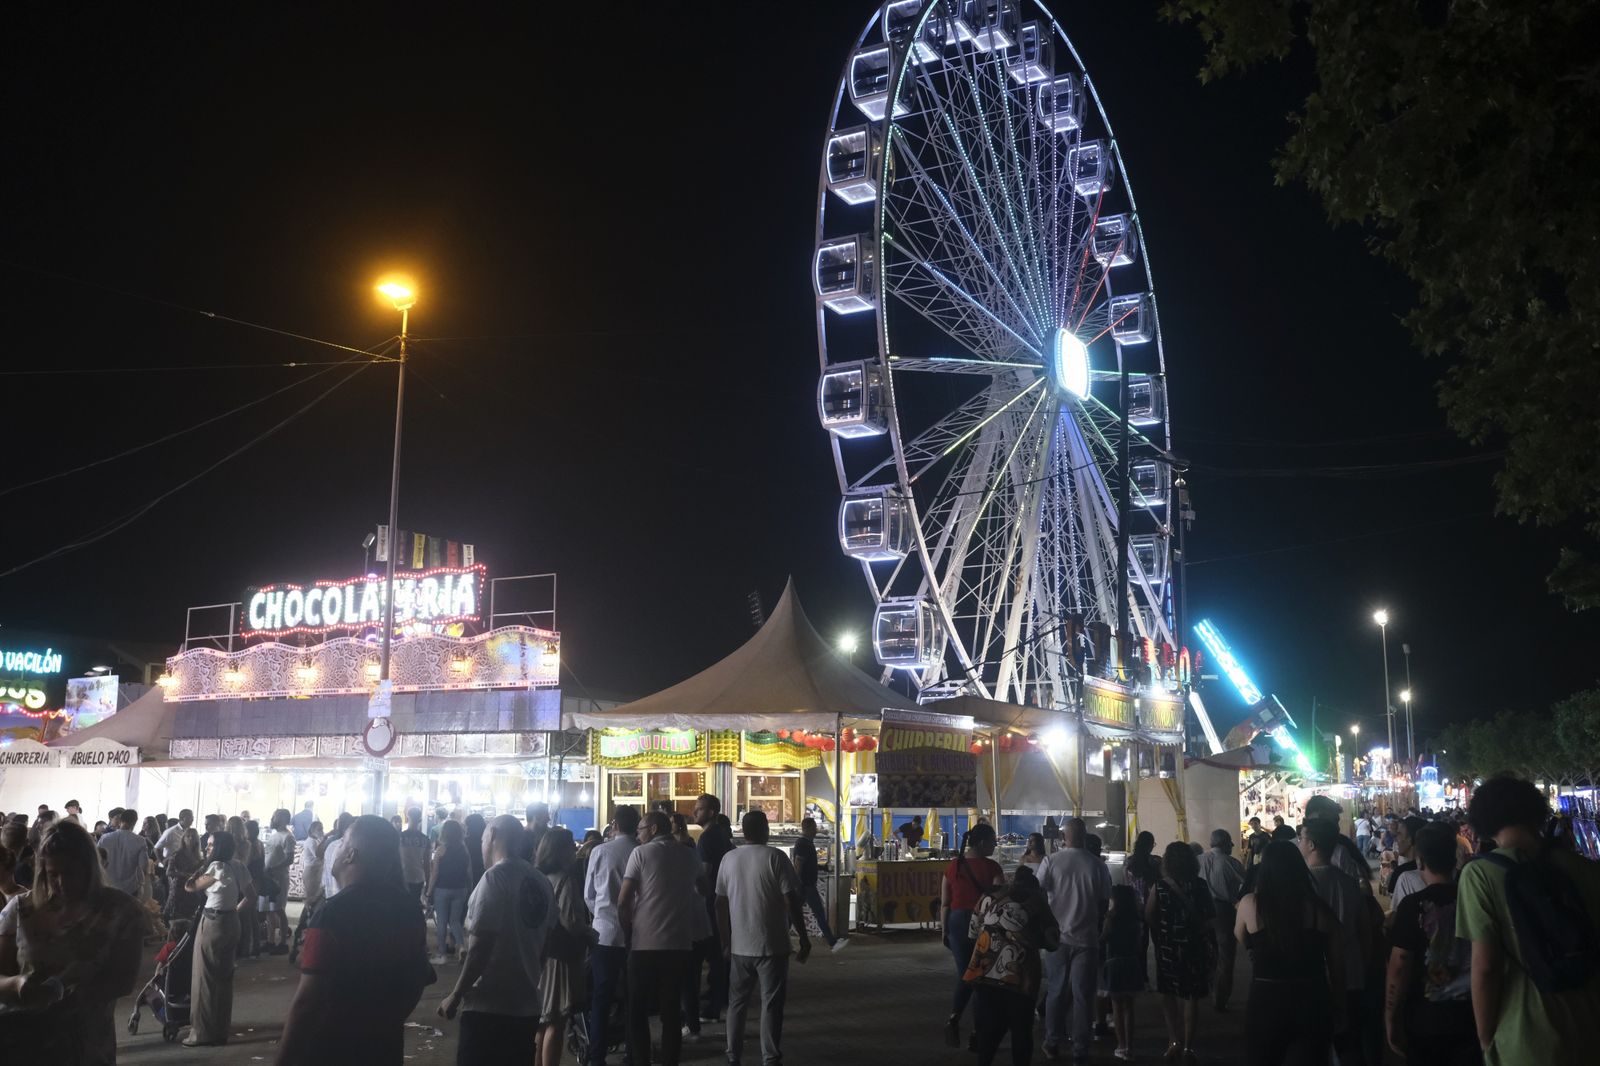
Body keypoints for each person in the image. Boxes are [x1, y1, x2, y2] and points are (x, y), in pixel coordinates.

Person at [1456, 775, 1600, 1065]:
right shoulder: (1584, 868)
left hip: (1524, 1039)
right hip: (1589, 1030)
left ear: (1483, 820)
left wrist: (1486, 1040)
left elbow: (1485, 969)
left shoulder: (1480, 875)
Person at [276, 815, 435, 1065]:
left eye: (341, 845)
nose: (336, 849)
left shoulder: (333, 915)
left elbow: (308, 1002)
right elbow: (418, 977)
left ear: (350, 855)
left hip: (332, 1048)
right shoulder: (408, 909)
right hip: (385, 1046)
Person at [0, 821, 144, 1063]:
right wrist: (17, 984)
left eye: (71, 873)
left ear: (90, 868)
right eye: (53, 874)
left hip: (87, 1044)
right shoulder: (20, 910)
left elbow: (123, 981)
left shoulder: (122, 911)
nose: (62, 883)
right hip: (24, 1041)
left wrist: (68, 996)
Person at [439, 815, 555, 1064]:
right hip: (526, 1007)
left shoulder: (494, 879)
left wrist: (456, 994)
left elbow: (481, 947)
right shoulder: (541, 882)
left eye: (482, 839)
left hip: (488, 1008)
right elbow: (546, 943)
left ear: (491, 836)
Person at [1236, 839, 1345, 1065]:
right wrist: (1339, 1003)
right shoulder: (1318, 909)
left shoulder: (1251, 904)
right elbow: (1336, 966)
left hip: (1266, 997)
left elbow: (1240, 935)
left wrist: (1255, 947)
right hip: (1311, 996)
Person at [717, 809, 811, 1066]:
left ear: (744, 832)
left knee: (737, 1003)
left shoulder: (728, 859)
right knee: (771, 1004)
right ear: (766, 830)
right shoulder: (776, 857)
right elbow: (791, 900)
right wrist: (803, 938)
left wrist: (725, 940)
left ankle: (732, 1055)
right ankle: (769, 1057)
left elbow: (719, 903)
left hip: (740, 947)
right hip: (773, 944)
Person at [1384, 822, 1479, 1065]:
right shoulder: (1474, 900)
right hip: (1474, 1014)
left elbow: (1399, 966)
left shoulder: (1413, 905)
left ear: (1421, 861)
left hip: (1426, 1020)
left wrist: (1391, 1017)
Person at [617, 809, 705, 1066]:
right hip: (679, 943)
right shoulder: (690, 854)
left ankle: (642, 1059)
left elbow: (623, 900)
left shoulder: (640, 854)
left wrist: (627, 933)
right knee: (670, 1010)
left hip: (644, 943)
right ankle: (670, 1060)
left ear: (654, 829)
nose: (638, 833)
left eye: (641, 829)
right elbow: (704, 888)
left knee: (637, 1009)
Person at [962, 864, 1060, 1066]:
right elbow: (1053, 941)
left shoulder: (989, 895)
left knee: (988, 1033)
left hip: (984, 972)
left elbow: (972, 932)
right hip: (1020, 978)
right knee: (1021, 1033)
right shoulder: (1037, 901)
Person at [1037, 816, 1111, 1062]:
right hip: (1087, 939)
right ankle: (1081, 1049)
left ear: (1063, 837)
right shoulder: (1097, 865)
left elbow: (1038, 893)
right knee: (1083, 996)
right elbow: (1103, 902)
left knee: (1056, 991)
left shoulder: (1051, 861)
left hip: (1057, 938)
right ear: (1084, 836)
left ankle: (1052, 1041)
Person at [1301, 815, 1370, 1065]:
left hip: (1316, 974)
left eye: (1302, 838)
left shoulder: (1303, 885)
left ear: (1312, 845)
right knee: (1348, 1040)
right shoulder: (1350, 883)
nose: (1300, 843)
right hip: (1352, 971)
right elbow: (1365, 932)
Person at [183, 828, 253, 1046]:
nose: (207, 847)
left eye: (211, 845)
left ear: (220, 847)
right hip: (231, 922)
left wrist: (199, 867)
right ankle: (220, 1028)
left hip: (213, 923)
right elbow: (251, 896)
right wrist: (232, 910)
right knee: (223, 979)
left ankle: (201, 1033)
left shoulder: (216, 867)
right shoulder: (239, 865)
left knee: (205, 978)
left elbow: (190, 886)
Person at [1147, 840, 1217, 1061]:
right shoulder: (1201, 885)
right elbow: (1211, 917)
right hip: (1194, 947)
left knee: (1168, 993)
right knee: (1191, 996)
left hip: (1168, 947)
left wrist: (1162, 934)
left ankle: (1173, 1039)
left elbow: (1149, 916)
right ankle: (1188, 1046)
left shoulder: (1160, 886)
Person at [583, 804, 640, 1066]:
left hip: (604, 934)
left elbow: (589, 895)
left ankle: (597, 1056)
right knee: (633, 997)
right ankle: (632, 1053)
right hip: (637, 935)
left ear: (615, 825)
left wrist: (602, 915)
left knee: (601, 998)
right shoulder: (642, 851)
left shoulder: (600, 851)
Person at [941, 822, 1004, 1050]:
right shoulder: (993, 868)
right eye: (993, 841)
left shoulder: (954, 865)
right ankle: (977, 1032)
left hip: (957, 922)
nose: (995, 845)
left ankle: (955, 1017)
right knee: (981, 977)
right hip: (983, 923)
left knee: (965, 973)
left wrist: (944, 929)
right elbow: (999, 899)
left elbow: (945, 902)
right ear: (981, 843)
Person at [536, 826, 591, 1066]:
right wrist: (590, 934)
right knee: (556, 1022)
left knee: (541, 1021)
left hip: (539, 953)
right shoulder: (565, 880)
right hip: (561, 956)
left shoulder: (536, 876)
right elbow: (571, 922)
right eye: (570, 847)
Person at [690, 793, 734, 1023]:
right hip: (719, 900)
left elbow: (705, 873)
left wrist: (697, 893)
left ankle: (711, 1006)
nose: (695, 812)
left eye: (700, 809)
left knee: (711, 956)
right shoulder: (718, 834)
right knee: (717, 956)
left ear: (711, 812)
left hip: (711, 904)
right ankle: (715, 1000)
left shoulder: (708, 838)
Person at [1196, 829, 1245, 1010]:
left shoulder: (1198, 860)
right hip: (1224, 912)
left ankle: (1204, 989)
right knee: (1225, 956)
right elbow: (1245, 884)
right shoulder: (1231, 863)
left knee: (1205, 952)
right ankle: (1220, 998)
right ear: (1225, 843)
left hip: (1201, 911)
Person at [1099, 884, 1145, 1062]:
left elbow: (1103, 939)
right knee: (1129, 1008)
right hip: (1131, 963)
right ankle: (1130, 1047)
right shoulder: (1135, 920)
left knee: (1117, 1007)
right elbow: (1140, 946)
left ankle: (1122, 1045)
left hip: (1114, 964)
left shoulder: (1110, 918)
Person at [791, 816, 845, 952]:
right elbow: (798, 864)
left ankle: (781, 942)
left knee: (793, 915)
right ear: (808, 828)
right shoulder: (803, 844)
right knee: (818, 913)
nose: (816, 831)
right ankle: (832, 942)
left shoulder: (805, 843)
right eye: (814, 828)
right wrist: (797, 884)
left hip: (805, 885)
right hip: (805, 885)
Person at [428, 818, 472, 964]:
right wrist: (470, 888)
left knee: (441, 922)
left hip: (442, 889)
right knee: (455, 921)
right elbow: (469, 872)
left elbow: (435, 874)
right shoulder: (464, 849)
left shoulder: (441, 850)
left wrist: (429, 891)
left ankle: (442, 954)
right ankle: (462, 947)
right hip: (460, 889)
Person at [261, 808, 295, 954]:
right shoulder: (274, 836)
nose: (272, 818)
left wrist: (274, 868)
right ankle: (270, 940)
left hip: (279, 877)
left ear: (282, 819)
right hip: (268, 877)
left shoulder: (288, 837)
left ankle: (282, 943)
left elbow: (289, 859)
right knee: (268, 910)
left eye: (275, 816)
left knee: (279, 909)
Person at [98, 807, 147, 897]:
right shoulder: (140, 841)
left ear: (121, 820)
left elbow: (98, 860)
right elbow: (143, 866)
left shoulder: (104, 838)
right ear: (135, 822)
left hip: (107, 885)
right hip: (129, 888)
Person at [1389, 816, 1429, 910]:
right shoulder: (1432, 865)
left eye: (1399, 834)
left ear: (1410, 840)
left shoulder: (1401, 873)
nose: (1396, 839)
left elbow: (1396, 911)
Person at [165, 827, 204, 922]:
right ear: (184, 838)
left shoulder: (199, 856)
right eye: (188, 836)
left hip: (192, 889)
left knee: (189, 916)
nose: (190, 838)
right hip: (178, 889)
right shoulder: (177, 854)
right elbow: (168, 872)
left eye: (193, 837)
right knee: (174, 915)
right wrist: (183, 874)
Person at [400, 806, 432, 906]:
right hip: (418, 877)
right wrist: (428, 882)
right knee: (415, 905)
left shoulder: (400, 837)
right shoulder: (425, 839)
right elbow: (427, 863)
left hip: (402, 877)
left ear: (407, 816)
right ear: (420, 818)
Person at [464, 812, 488, 890]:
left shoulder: (465, 842)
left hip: (467, 874)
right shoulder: (487, 841)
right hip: (484, 873)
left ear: (470, 827)